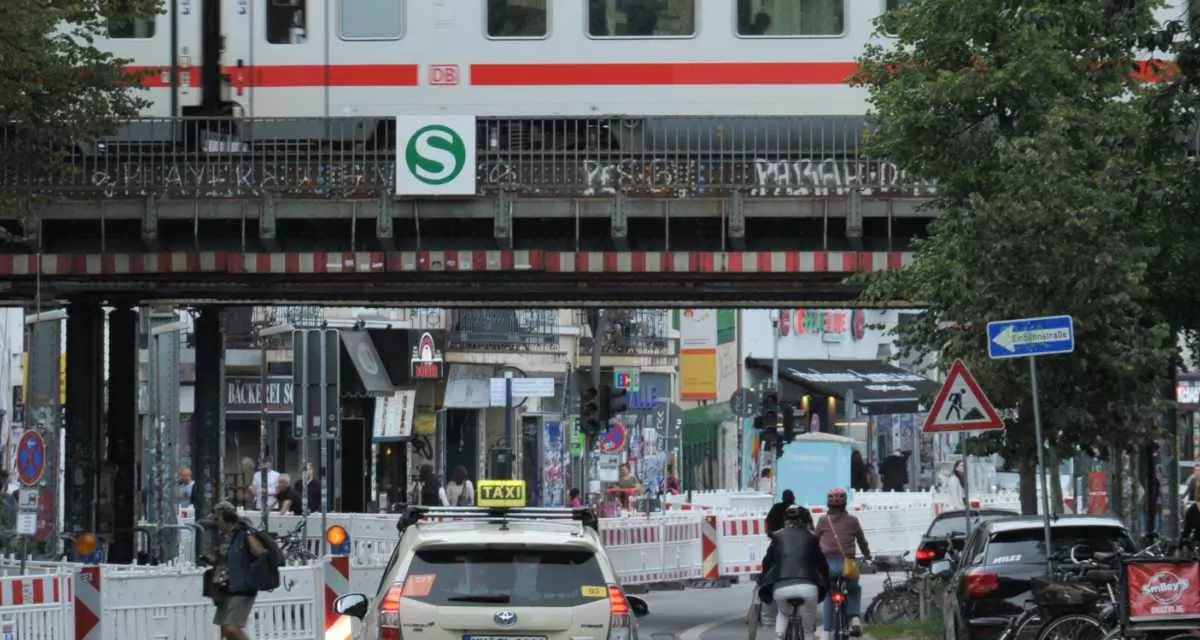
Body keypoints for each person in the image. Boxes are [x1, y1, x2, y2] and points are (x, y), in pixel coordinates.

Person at [758, 505, 829, 640]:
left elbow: (767, 562)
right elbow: (822, 563)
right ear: (806, 521)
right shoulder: (812, 537)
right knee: (808, 626)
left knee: (783, 612)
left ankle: (779, 635)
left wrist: (762, 579)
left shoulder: (777, 536)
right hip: (808, 588)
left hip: (781, 588)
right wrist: (826, 581)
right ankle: (808, 635)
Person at [814, 488, 872, 637]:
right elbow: (861, 541)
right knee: (853, 589)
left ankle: (826, 631)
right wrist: (867, 555)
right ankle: (854, 618)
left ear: (828, 504)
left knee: (828, 594)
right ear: (845, 503)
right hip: (847, 565)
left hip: (827, 566)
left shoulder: (823, 520)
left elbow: (814, 540)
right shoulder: (853, 520)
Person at [206, 501, 267, 640]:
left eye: (217, 519)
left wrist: (248, 532)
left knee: (232, 629)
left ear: (226, 518)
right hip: (223, 588)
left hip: (241, 588)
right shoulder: (223, 537)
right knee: (225, 632)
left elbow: (259, 552)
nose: (215, 523)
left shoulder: (243, 534)